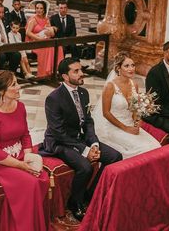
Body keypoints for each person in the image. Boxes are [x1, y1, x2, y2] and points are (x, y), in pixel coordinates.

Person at [38, 58, 122, 222]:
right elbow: (58, 132)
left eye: (80, 69)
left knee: (115, 157)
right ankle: (74, 203)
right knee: (85, 167)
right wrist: (85, 150)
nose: (81, 73)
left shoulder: (83, 93)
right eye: (75, 71)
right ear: (65, 76)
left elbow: (88, 121)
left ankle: (91, 194)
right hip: (59, 142)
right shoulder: (54, 98)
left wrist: (94, 143)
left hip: (79, 138)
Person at [0, 70, 50, 231]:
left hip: (19, 155)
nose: (19, 87)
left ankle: (35, 224)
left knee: (42, 177)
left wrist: (29, 155)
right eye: (14, 85)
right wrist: (21, 165)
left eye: (17, 83)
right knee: (30, 182)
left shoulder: (20, 107)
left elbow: (25, 134)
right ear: (2, 91)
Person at [91, 52, 160, 159]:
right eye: (126, 66)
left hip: (130, 124)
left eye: (133, 65)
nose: (131, 69)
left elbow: (134, 109)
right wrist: (125, 128)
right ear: (118, 68)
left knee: (156, 146)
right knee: (144, 149)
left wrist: (137, 121)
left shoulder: (134, 85)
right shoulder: (110, 86)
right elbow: (106, 113)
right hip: (113, 126)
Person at [26, 0, 63, 78]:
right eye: (37, 8)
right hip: (34, 42)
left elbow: (50, 32)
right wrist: (38, 39)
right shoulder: (33, 20)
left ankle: (56, 70)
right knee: (47, 48)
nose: (38, 10)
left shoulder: (46, 19)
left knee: (58, 46)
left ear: (44, 10)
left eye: (41, 8)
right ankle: (44, 73)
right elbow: (28, 33)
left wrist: (51, 31)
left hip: (44, 41)